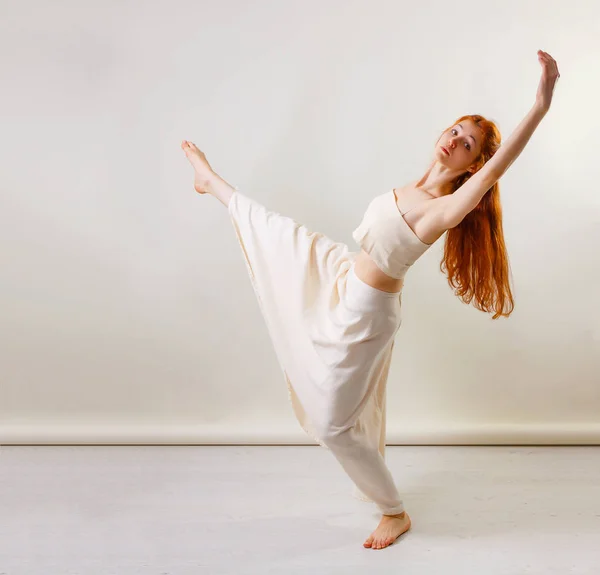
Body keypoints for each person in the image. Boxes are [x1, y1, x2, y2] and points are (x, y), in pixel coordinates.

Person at [182, 50, 560, 550]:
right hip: (343, 272)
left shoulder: (443, 207)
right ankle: (213, 184)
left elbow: (495, 175)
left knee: (333, 425)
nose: (454, 140)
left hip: (366, 313)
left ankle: (394, 511)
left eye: (467, 143)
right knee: (280, 235)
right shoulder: (413, 185)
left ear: (473, 165)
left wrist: (539, 105)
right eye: (454, 130)